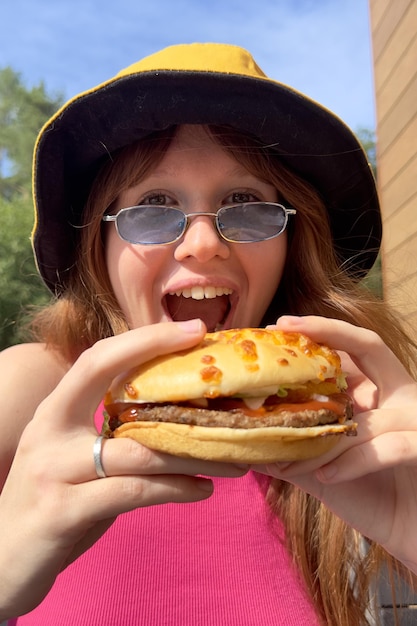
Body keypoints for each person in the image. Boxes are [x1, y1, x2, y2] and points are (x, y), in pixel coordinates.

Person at [0, 42, 417, 626]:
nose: (202, 243)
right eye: (152, 205)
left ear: (292, 242)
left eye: (245, 203)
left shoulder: (353, 419)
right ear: (102, 245)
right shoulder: (27, 390)